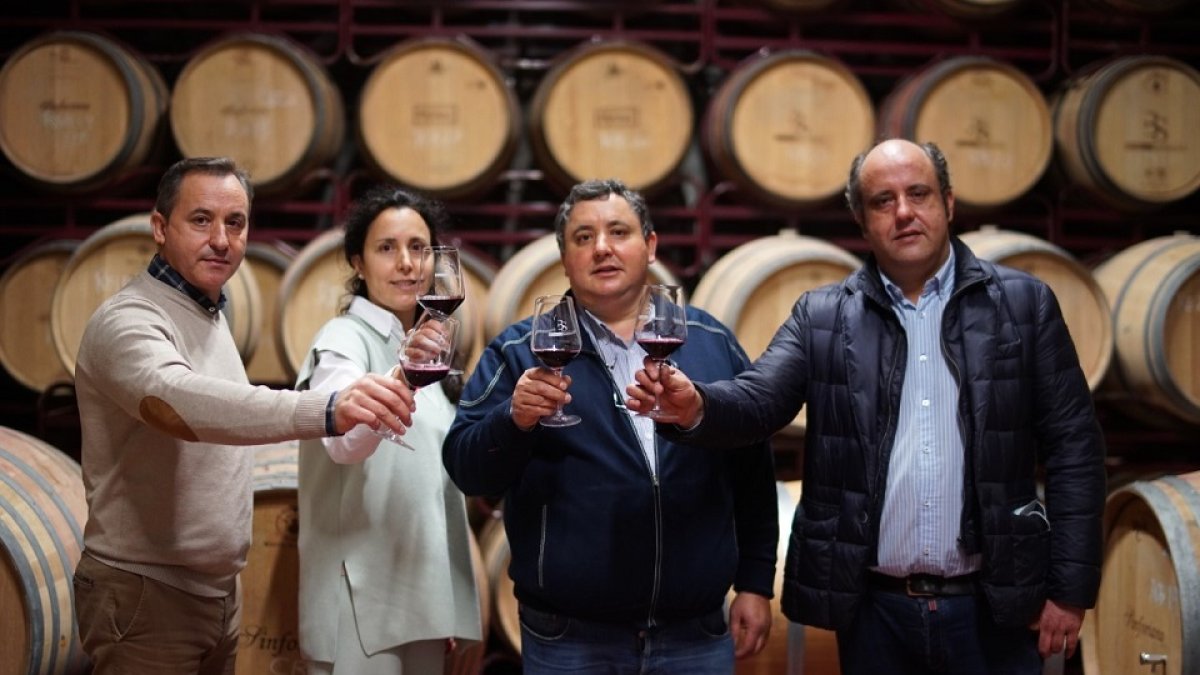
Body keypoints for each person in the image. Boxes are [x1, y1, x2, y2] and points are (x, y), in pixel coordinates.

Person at [626, 139, 1107, 675]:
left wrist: (1069, 589)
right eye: (883, 201)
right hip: (877, 612)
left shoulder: (1023, 304)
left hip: (994, 608)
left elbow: (1075, 449)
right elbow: (760, 400)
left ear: (948, 204)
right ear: (861, 220)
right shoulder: (824, 315)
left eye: (918, 194)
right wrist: (696, 406)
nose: (903, 212)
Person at [72, 157, 418, 674]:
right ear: (160, 228)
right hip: (147, 592)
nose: (221, 238)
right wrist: (324, 409)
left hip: (215, 593)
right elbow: (176, 402)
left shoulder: (207, 313)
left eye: (235, 222)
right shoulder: (130, 321)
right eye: (201, 220)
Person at [443, 178, 778, 674]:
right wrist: (512, 420)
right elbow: (467, 469)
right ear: (563, 258)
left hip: (695, 635)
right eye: (583, 237)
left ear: (650, 246)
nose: (602, 248)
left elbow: (752, 465)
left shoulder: (709, 341)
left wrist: (753, 581)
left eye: (618, 232)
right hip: (571, 639)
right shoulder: (519, 350)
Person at [294, 185, 482, 674]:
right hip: (358, 601)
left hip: (420, 598)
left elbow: (438, 490)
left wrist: (461, 603)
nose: (406, 263)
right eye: (386, 248)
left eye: (418, 248)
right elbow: (343, 443)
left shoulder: (424, 349)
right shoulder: (342, 341)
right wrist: (403, 376)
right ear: (358, 262)